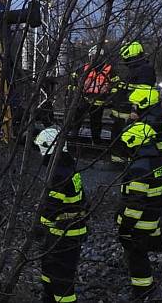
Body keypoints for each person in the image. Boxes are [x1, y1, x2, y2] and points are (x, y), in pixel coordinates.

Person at [33, 127, 88, 303]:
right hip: (67, 231)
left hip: (64, 234)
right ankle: (48, 297)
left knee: (61, 277)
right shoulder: (67, 165)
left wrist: (39, 228)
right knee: (50, 269)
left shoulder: (58, 173)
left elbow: (51, 208)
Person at [116, 122, 162, 301]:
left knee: (136, 256)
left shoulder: (139, 168)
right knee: (140, 251)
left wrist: (124, 227)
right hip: (153, 217)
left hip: (139, 223)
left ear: (134, 142)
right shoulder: (159, 161)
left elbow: (135, 205)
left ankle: (144, 289)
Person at [109, 41, 155, 163]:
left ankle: (126, 161)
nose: (124, 61)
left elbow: (143, 92)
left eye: (125, 57)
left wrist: (135, 110)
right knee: (118, 138)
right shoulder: (136, 69)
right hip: (122, 113)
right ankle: (119, 160)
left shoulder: (144, 70)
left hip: (130, 114)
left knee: (127, 139)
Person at [69, 45, 111, 143]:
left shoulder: (109, 70)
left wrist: (109, 96)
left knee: (95, 124)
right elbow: (73, 83)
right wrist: (75, 95)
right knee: (77, 121)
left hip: (98, 101)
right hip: (83, 100)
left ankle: (96, 142)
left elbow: (115, 85)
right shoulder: (83, 69)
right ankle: (73, 139)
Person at [128, 87, 162, 152]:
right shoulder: (158, 112)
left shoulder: (150, 119)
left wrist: (131, 121)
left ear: (144, 103)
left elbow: (131, 139)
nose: (134, 106)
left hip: (151, 153)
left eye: (136, 104)